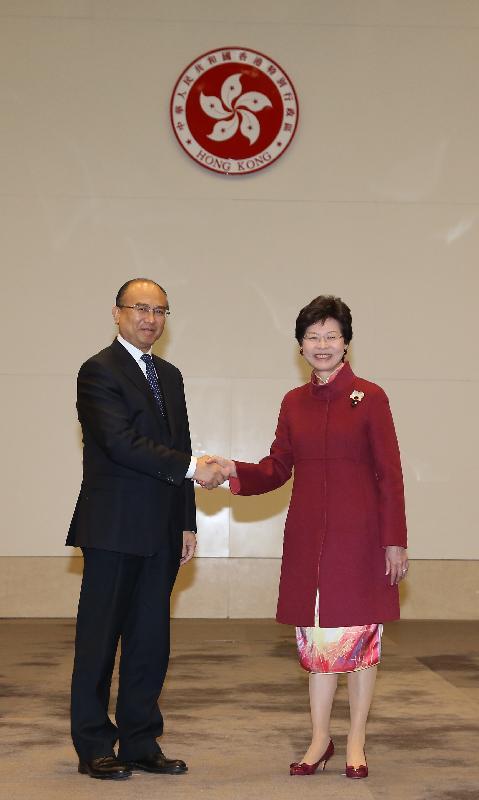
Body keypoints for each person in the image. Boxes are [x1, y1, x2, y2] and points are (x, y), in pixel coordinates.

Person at [210, 295, 408, 779]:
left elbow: (390, 474)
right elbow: (277, 468)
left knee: (361, 643)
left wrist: (394, 540)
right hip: (309, 544)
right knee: (319, 646)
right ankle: (320, 739)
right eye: (313, 337)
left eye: (331, 336)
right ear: (300, 345)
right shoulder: (293, 403)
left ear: (346, 344)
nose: (322, 345)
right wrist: (234, 469)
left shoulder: (371, 397)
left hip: (362, 542)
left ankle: (357, 741)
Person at [67, 278, 224, 780]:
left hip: (160, 532)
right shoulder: (98, 372)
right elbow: (121, 443)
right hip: (113, 528)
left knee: (151, 641)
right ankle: (94, 744)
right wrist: (196, 465)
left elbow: (179, 443)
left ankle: (139, 740)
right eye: (140, 308)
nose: (150, 318)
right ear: (117, 313)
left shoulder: (170, 376)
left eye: (160, 310)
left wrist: (186, 521)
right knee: (99, 641)